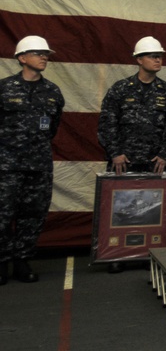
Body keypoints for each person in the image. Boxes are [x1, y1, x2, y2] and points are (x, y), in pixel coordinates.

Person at [98, 37, 166, 273]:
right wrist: (114, 153)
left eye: (160, 56)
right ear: (139, 59)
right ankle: (115, 254)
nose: (158, 60)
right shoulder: (120, 89)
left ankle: (151, 253)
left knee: (154, 207)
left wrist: (165, 154)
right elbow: (107, 124)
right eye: (153, 56)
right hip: (123, 161)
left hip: (155, 161)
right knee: (120, 208)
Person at [0, 36, 65, 286]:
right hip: (6, 166)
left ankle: (22, 261)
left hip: (38, 165)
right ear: (21, 58)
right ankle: (1, 261)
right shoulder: (4, 88)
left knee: (33, 214)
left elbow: (52, 127)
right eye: (37, 53)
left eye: (45, 53)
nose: (44, 57)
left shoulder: (52, 92)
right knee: (3, 215)